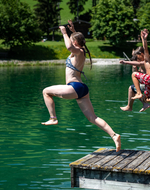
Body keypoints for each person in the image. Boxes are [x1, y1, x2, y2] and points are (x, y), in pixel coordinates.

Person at [41, 20, 121, 152]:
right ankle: (114, 135)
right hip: (82, 89)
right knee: (92, 118)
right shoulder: (80, 50)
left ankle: (53, 118)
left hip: (74, 86)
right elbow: (77, 42)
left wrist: (64, 33)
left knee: (46, 92)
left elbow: (69, 47)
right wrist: (73, 31)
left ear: (74, 43)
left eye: (73, 41)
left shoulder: (78, 52)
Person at [120, 29, 150, 110]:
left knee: (133, 75)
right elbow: (138, 64)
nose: (138, 59)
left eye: (138, 57)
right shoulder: (145, 62)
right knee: (144, 98)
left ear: (141, 54)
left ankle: (138, 93)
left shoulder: (147, 58)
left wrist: (144, 39)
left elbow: (145, 49)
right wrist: (126, 62)